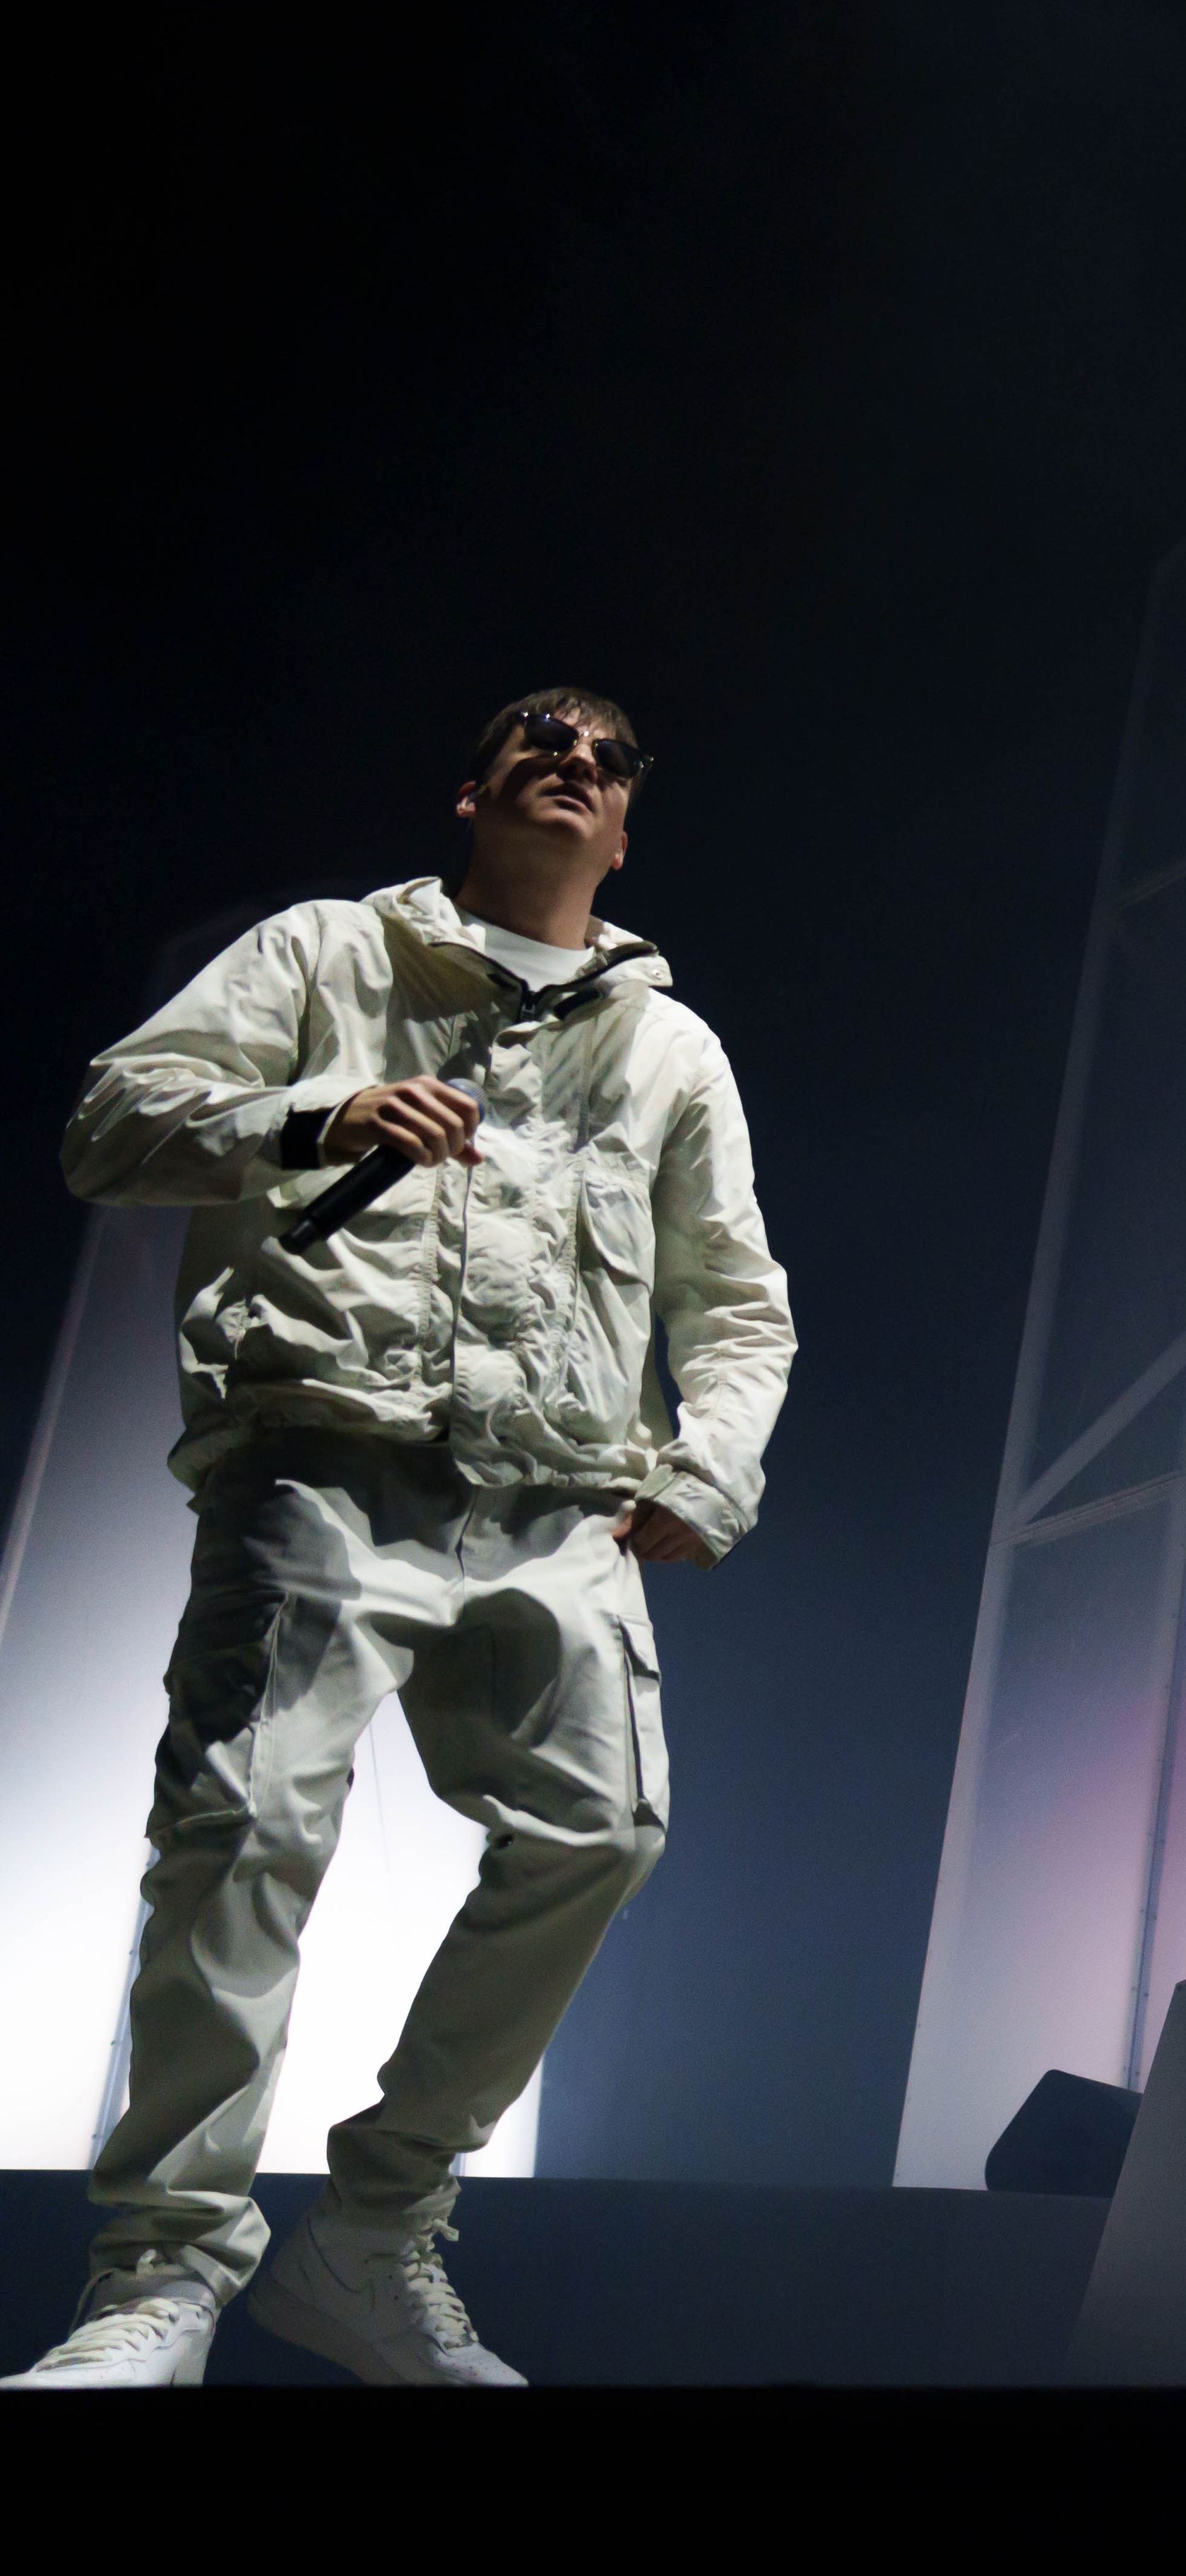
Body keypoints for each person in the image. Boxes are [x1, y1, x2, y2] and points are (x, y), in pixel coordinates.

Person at [6, 693, 793, 2392]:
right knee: (239, 1834)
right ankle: (158, 2277)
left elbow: (735, 1302)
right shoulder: (323, 955)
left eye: (609, 750)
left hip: (561, 1494)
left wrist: (710, 1465)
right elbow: (107, 1126)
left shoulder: (672, 1049)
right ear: (475, 788)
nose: (574, 753)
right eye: (536, 734)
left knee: (600, 1834)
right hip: (325, 1461)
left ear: (629, 826)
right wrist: (309, 1121)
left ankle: (370, 2234)